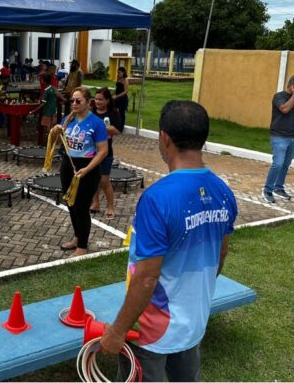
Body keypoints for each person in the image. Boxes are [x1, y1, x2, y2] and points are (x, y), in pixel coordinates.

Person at [100, 100, 238, 383]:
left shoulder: (157, 198)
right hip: (193, 323)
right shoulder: (223, 192)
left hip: (151, 330)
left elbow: (146, 278)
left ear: (164, 138)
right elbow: (220, 259)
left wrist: (117, 330)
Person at [53, 87, 108, 257]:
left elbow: (103, 151)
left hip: (87, 169)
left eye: (78, 101)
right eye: (72, 101)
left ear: (88, 102)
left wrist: (87, 169)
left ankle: (82, 247)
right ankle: (77, 237)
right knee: (70, 204)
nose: (74, 104)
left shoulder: (96, 123)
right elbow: (57, 142)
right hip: (68, 165)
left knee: (82, 208)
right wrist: (55, 132)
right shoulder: (68, 119)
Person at [262, 73, 294, 203]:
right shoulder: (279, 96)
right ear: (291, 85)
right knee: (277, 164)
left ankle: (279, 188)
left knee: (285, 165)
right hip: (279, 136)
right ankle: (267, 190)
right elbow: (284, 109)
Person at [90, 87, 122, 218]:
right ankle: (95, 203)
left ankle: (110, 207)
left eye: (101, 99)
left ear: (107, 100)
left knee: (104, 180)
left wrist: (103, 128)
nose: (97, 102)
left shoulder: (113, 113)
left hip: (106, 153)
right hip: (91, 152)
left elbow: (117, 130)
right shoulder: (91, 113)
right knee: (93, 180)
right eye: (96, 99)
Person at [40, 72, 65, 146]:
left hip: (47, 110)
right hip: (53, 109)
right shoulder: (53, 88)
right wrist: (64, 100)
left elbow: (43, 102)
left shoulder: (46, 90)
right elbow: (59, 95)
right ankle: (51, 140)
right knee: (50, 125)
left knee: (47, 126)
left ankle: (48, 141)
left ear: (43, 81)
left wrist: (34, 110)